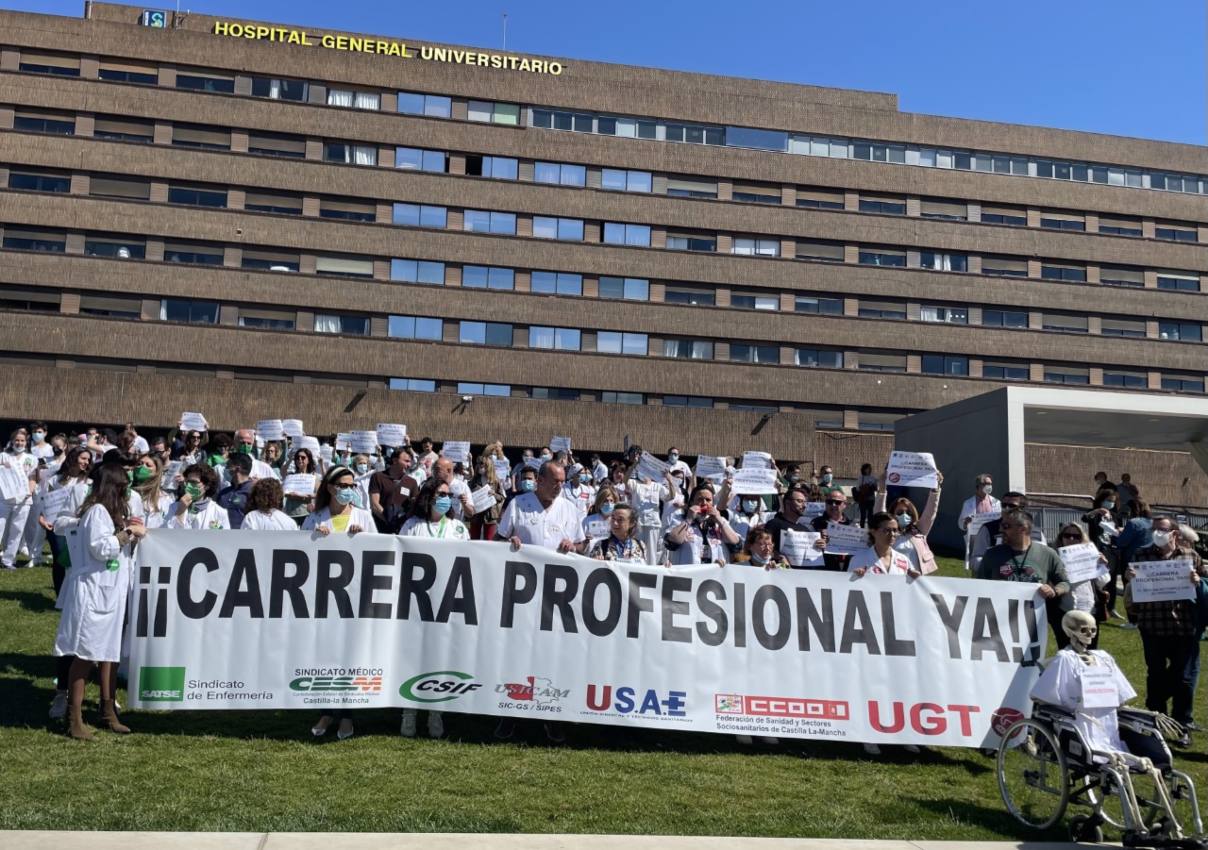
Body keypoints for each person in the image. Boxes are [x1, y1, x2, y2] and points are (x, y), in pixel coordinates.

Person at [53, 463, 148, 739]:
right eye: (122, 486)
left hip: (110, 592)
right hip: (93, 593)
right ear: (112, 487)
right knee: (86, 655)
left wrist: (132, 534)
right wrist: (129, 534)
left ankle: (107, 712)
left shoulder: (113, 513)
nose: (126, 491)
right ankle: (74, 717)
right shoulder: (96, 512)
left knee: (107, 652)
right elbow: (101, 548)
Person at [303, 466, 375, 741]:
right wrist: (313, 539)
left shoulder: (363, 517)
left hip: (353, 598)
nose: (349, 489)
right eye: (344, 485)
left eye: (352, 485)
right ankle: (326, 711)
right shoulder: (315, 519)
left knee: (349, 656)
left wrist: (362, 538)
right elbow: (298, 553)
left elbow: (378, 552)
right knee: (325, 655)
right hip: (323, 598)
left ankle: (347, 715)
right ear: (331, 488)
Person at [1124, 514, 1205, 731]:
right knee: (1156, 673)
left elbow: (1204, 585)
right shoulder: (1141, 555)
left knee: (1183, 678)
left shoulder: (1190, 555)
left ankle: (1182, 722)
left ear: (1175, 534)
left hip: (1183, 626)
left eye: (1162, 529)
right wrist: (1129, 576)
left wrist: (1198, 582)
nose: (1157, 534)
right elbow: (1130, 582)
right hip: (1152, 626)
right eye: (1155, 530)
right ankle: (1157, 718)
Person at [978, 509, 1072, 648]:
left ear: (1023, 528)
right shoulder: (992, 554)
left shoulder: (1047, 554)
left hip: (1033, 623)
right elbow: (979, 586)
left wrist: (1054, 590)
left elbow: (1065, 582)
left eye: (1006, 526)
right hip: (998, 621)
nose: (1000, 529)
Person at [498, 461, 584, 555]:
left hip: (557, 568)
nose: (559, 486)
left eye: (562, 482)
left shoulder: (570, 508)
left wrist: (573, 547)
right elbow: (499, 538)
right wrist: (508, 543)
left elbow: (581, 545)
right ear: (540, 480)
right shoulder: (518, 504)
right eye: (555, 481)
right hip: (524, 568)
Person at [1053, 522, 1111, 645]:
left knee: (1090, 649)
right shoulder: (1054, 557)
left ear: (1082, 538)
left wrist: (1102, 565)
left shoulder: (1091, 554)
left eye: (1077, 536)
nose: (1071, 539)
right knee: (1066, 649)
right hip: (1064, 609)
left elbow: (1102, 582)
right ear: (1061, 538)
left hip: (1089, 609)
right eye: (1067, 535)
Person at [874, 471, 942, 574]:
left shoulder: (919, 529)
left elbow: (930, 512)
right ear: (892, 514)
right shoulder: (887, 532)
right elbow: (879, 515)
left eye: (908, 512)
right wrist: (882, 490)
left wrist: (935, 490)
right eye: (900, 512)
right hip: (893, 577)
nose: (904, 515)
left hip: (917, 578)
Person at [664, 484, 741, 566]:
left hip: (715, 574)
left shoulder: (720, 522)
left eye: (708, 500)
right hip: (688, 574)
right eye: (700, 499)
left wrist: (719, 521)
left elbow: (736, 545)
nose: (704, 503)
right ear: (691, 502)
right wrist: (688, 520)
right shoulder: (679, 520)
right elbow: (671, 543)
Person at [969, 491, 1046, 571]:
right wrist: (995, 565)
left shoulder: (1037, 533)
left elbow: (1044, 559)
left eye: (1012, 506)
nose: (1006, 508)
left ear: (1023, 509)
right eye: (1003, 505)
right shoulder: (988, 529)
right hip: (996, 579)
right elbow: (975, 559)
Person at [0, 428, 37, 569]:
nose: (19, 443)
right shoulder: (3, 456)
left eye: (22, 440)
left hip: (23, 500)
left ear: (26, 442)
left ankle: (8, 560)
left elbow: (33, 477)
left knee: (17, 530)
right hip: (4, 499)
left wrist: (29, 491)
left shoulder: (31, 459)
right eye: (17, 440)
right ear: (12, 441)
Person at [1112, 500, 1153, 625]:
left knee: (1130, 591)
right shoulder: (1152, 523)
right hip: (1149, 561)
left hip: (1131, 561)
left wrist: (1115, 535)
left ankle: (1133, 621)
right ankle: (1145, 618)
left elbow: (1121, 542)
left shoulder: (1134, 522)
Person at [628, 469, 676, 566]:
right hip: (638, 524)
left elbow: (670, 497)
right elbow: (625, 481)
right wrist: (634, 465)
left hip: (653, 524)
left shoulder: (657, 486)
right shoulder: (635, 483)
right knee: (636, 549)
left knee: (651, 552)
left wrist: (670, 480)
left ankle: (651, 573)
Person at [399, 479, 471, 541]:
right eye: (442, 494)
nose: (446, 498)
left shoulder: (458, 527)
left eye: (449, 495)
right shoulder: (411, 524)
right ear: (429, 497)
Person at [369, 447, 421, 533]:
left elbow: (414, 506)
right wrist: (389, 520)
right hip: (379, 528)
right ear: (395, 460)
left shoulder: (412, 482)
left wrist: (401, 522)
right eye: (406, 461)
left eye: (410, 462)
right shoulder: (378, 477)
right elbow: (374, 504)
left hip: (402, 529)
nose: (409, 465)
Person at [849, 513, 916, 577]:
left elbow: (912, 586)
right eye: (887, 530)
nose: (892, 534)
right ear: (873, 532)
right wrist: (854, 577)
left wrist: (916, 578)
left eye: (895, 530)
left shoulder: (903, 559)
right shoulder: (858, 560)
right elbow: (849, 586)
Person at [168, 464, 230, 529]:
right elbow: (167, 535)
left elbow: (225, 537)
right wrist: (180, 511)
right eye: (187, 482)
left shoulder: (219, 512)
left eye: (193, 482)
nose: (189, 485)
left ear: (207, 486)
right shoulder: (174, 507)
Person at [811, 488, 855, 572]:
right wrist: (816, 543)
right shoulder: (815, 523)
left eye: (838, 502)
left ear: (844, 505)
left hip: (847, 571)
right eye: (829, 502)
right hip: (824, 570)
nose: (833, 505)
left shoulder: (852, 526)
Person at [130, 452, 171, 529]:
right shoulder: (129, 494)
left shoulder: (165, 499)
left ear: (157, 472)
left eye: (148, 465)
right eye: (139, 464)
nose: (142, 467)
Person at [468, 457, 505, 540]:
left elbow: (501, 497)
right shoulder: (474, 479)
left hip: (490, 515)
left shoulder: (495, 481)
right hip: (476, 514)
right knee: (474, 539)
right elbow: (468, 493)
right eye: (478, 463)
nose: (479, 466)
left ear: (488, 466)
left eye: (482, 464)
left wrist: (494, 494)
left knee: (489, 540)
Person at [216, 453, 254, 529]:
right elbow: (215, 520)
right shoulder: (222, 494)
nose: (225, 469)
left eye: (228, 466)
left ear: (237, 468)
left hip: (244, 538)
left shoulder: (254, 492)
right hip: (222, 538)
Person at [431, 457, 475, 522]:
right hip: (435, 526)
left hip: (453, 529)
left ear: (448, 470)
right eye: (434, 469)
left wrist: (465, 504)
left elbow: (470, 513)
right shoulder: (431, 485)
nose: (434, 472)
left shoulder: (462, 486)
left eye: (437, 469)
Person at [283, 448, 318, 526]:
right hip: (290, 513)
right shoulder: (290, 475)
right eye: (297, 457)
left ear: (308, 460)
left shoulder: (313, 477)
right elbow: (282, 472)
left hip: (305, 513)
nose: (300, 459)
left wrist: (312, 496)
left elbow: (320, 494)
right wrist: (290, 459)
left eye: (303, 457)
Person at [853, 463, 878, 528]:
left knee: (870, 514)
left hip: (871, 498)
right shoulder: (861, 477)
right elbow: (857, 488)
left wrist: (871, 487)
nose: (867, 470)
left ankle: (870, 527)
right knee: (863, 514)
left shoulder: (873, 477)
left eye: (869, 469)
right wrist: (864, 487)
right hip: (863, 498)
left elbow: (876, 488)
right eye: (866, 469)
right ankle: (862, 527)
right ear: (863, 469)